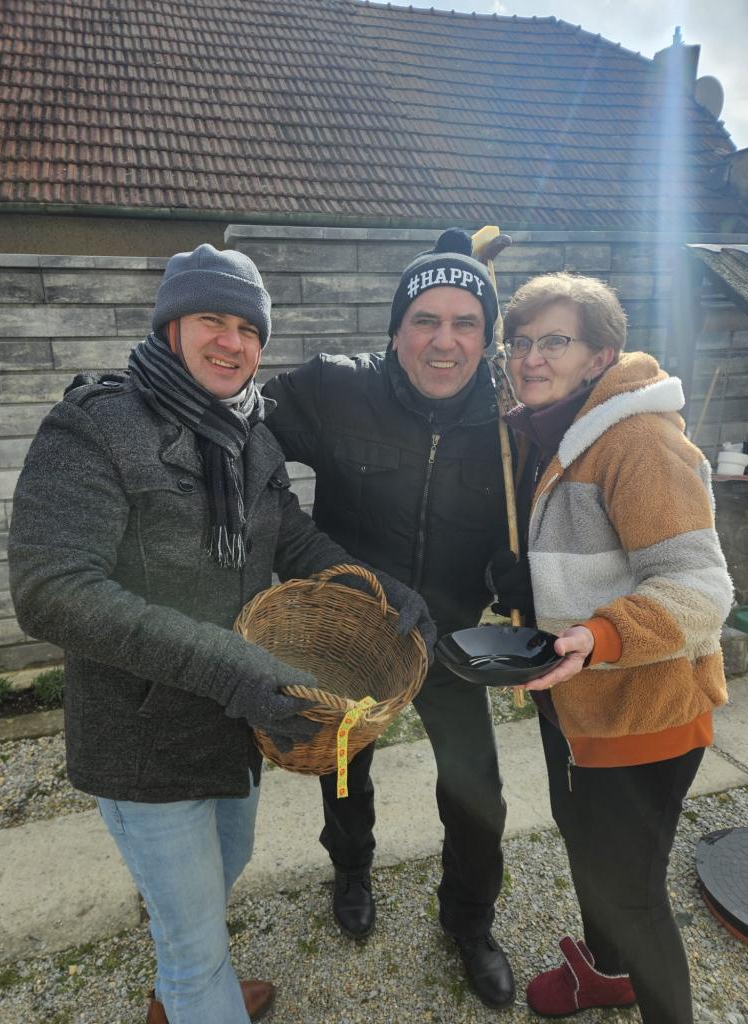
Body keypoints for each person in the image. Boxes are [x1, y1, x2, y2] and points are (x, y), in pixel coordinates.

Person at [7, 244, 431, 1024]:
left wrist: (378, 591)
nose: (233, 343)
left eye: (249, 329)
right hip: (143, 737)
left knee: (221, 871)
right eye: (213, 319)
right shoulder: (94, 428)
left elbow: (292, 538)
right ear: (171, 325)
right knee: (197, 944)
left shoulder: (250, 434)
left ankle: (176, 989)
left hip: (236, 728)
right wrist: (237, 667)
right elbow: (51, 593)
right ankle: (193, 991)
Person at [263, 229, 516, 1009]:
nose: (445, 341)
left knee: (478, 794)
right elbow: (240, 433)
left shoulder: (513, 420)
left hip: (453, 641)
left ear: (487, 336)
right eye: (425, 320)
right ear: (396, 329)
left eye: (466, 323)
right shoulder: (334, 388)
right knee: (343, 768)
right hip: (355, 639)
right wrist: (296, 545)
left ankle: (469, 922)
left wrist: (518, 582)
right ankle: (351, 869)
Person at [488, 272, 732, 1022]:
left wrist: (601, 634)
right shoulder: (549, 432)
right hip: (577, 702)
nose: (530, 358)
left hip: (642, 712)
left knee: (632, 892)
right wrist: (530, 584)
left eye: (554, 341)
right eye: (520, 343)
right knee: (587, 847)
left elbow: (699, 587)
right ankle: (606, 974)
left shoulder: (638, 441)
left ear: (600, 356)